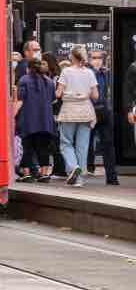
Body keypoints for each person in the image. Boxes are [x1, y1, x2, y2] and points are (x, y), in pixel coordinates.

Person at [56, 45, 99, 187]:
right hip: (86, 111)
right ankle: (79, 180)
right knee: (83, 145)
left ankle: (73, 166)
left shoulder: (66, 71)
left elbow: (58, 94)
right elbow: (95, 96)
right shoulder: (89, 73)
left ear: (72, 56)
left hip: (69, 110)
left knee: (66, 142)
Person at [16, 57, 57, 183]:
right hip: (46, 121)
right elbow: (53, 99)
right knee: (43, 147)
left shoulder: (24, 80)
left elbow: (20, 99)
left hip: (28, 119)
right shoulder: (49, 82)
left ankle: (27, 174)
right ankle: (44, 174)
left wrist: (13, 114)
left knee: (28, 146)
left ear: (28, 68)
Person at [86, 49, 119, 185]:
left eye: (100, 58)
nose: (97, 60)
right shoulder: (87, 73)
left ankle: (111, 177)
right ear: (89, 59)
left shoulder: (106, 74)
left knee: (108, 144)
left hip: (104, 111)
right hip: (89, 111)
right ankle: (87, 169)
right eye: (94, 57)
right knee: (86, 143)